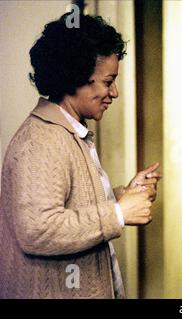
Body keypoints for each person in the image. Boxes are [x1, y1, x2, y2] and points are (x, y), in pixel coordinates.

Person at [0, 13, 160, 298]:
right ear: (75, 78)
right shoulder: (41, 142)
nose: (115, 92)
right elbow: (37, 229)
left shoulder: (69, 132)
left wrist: (122, 195)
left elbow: (72, 210)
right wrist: (119, 213)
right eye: (108, 81)